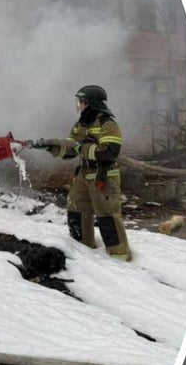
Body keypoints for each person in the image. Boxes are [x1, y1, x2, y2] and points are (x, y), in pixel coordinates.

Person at [35, 85, 131, 261]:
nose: (78, 105)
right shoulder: (81, 124)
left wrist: (83, 148)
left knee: (107, 215)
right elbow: (70, 150)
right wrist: (51, 147)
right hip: (83, 175)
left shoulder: (107, 124)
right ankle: (82, 251)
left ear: (91, 103)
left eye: (81, 102)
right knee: (76, 210)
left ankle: (119, 256)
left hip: (104, 176)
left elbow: (109, 152)